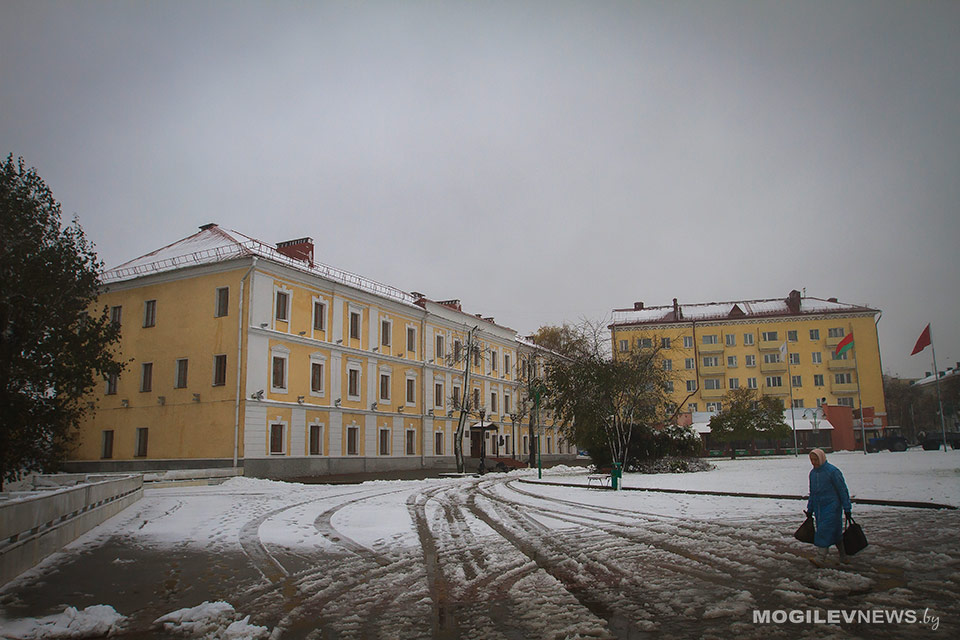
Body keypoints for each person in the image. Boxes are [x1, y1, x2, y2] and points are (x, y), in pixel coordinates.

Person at [806, 448, 852, 566]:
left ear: (821, 458)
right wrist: (810, 508)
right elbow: (812, 492)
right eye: (812, 460)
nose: (814, 462)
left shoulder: (832, 472)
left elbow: (842, 490)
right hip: (819, 508)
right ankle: (843, 556)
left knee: (824, 531)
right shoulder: (813, 473)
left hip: (832, 506)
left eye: (816, 459)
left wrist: (847, 508)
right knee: (835, 533)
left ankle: (820, 558)